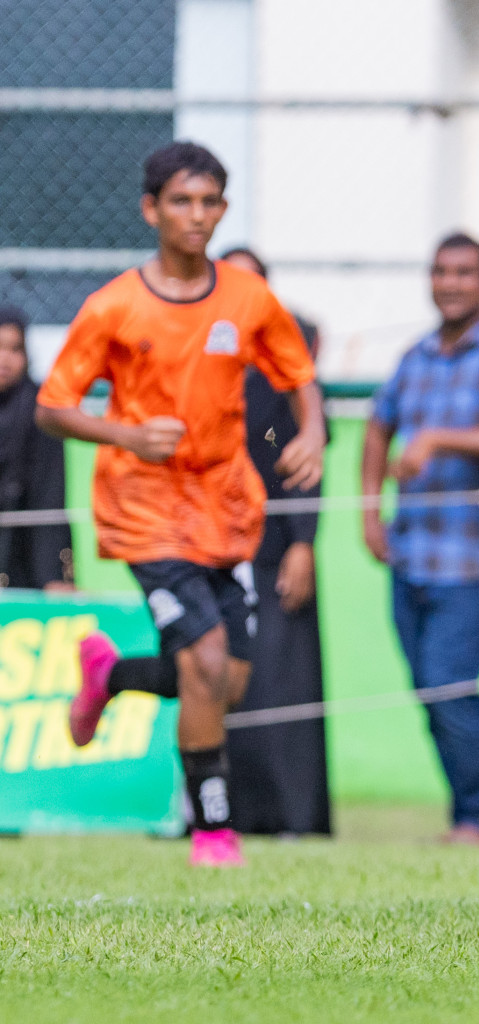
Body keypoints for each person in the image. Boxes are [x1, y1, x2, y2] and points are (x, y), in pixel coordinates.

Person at [40, 141, 325, 867]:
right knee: (202, 658)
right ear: (151, 209)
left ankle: (111, 675)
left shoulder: (247, 297)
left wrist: (314, 432)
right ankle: (214, 830)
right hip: (145, 510)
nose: (196, 216)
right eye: (181, 201)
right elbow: (54, 406)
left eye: (209, 203)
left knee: (226, 680)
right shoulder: (113, 306)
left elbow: (298, 373)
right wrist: (126, 434)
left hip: (227, 510)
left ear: (222, 210)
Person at [362, 232, 479, 845]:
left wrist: (438, 438)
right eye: (442, 271)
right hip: (409, 551)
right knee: (428, 690)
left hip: (469, 559)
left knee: (450, 685)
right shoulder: (415, 356)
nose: (451, 282)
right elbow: (377, 425)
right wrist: (369, 510)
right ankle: (469, 814)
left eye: (465, 272)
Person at [215, 246, 332, 837]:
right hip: (210, 551)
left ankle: (294, 819)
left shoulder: (290, 369)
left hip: (275, 553)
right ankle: (223, 815)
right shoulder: (199, 360)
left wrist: (303, 543)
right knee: (220, 681)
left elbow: (308, 464)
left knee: (284, 688)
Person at [0, 306, 73, 592]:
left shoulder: (42, 412)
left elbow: (50, 498)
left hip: (24, 557)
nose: (5, 359)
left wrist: (54, 576)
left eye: (15, 349)